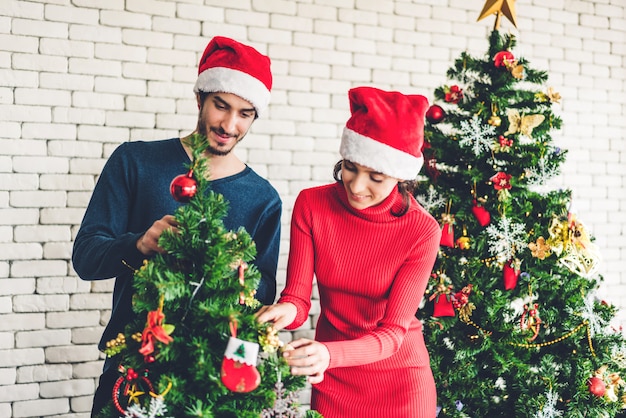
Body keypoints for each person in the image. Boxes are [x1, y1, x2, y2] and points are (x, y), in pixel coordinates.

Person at [72, 36, 281, 417]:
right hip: (134, 371)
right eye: (221, 105)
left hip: (215, 383)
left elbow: (262, 297)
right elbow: (86, 257)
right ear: (200, 98)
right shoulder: (135, 162)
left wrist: (234, 274)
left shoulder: (263, 199)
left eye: (245, 113)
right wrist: (139, 244)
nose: (229, 124)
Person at [257, 86, 441, 418]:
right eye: (351, 167)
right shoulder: (312, 205)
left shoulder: (421, 230)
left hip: (400, 382)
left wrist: (329, 354)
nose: (356, 186)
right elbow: (298, 299)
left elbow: (393, 333)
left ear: (401, 177)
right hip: (334, 380)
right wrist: (283, 312)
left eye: (376, 177)